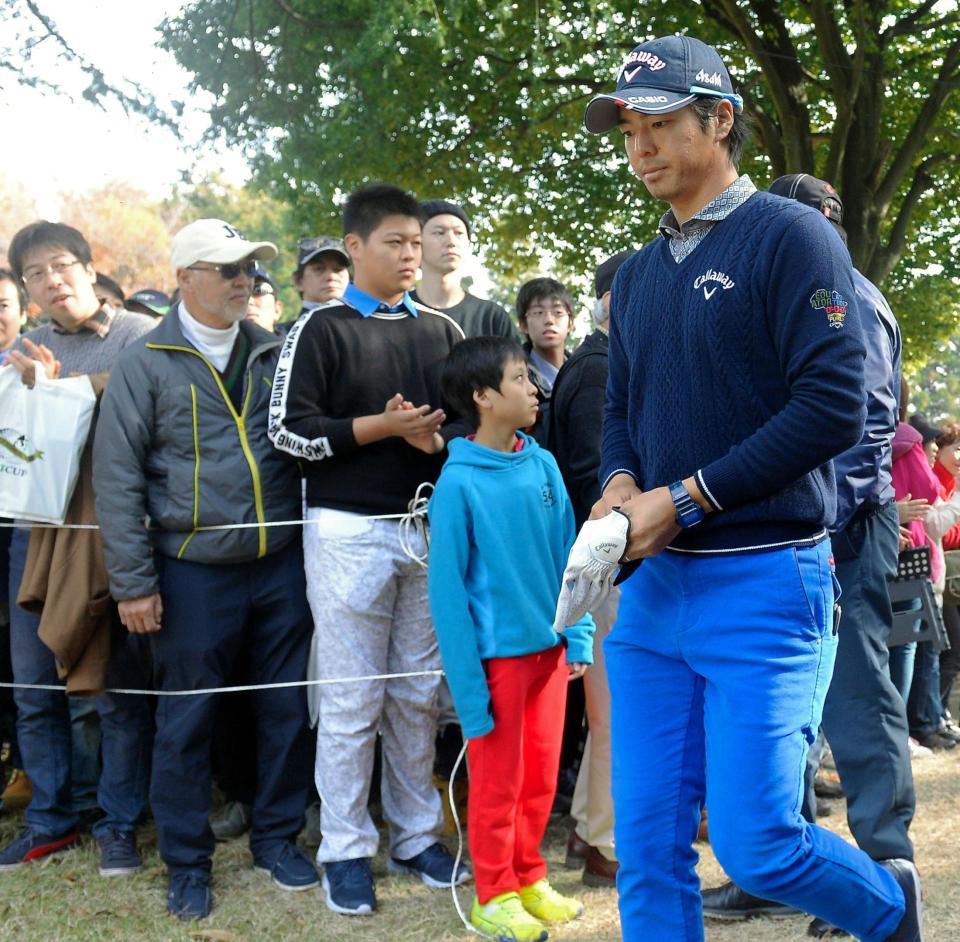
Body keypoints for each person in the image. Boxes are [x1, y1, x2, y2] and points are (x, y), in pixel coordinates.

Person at [576, 33, 920, 942]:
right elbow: (624, 406)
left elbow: (834, 409)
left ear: (718, 120)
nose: (640, 146)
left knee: (761, 844)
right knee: (648, 848)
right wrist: (619, 482)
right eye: (628, 129)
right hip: (651, 595)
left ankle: (891, 910)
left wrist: (682, 498)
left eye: (659, 125)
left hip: (768, 580)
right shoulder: (640, 274)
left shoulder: (792, 234)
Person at [701, 173, 917, 937]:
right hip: (794, 528)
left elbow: (860, 424)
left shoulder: (844, 297)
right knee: (784, 704)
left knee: (856, 701)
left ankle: (886, 870)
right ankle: (791, 867)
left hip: (842, 526)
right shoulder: (790, 291)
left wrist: (818, 522)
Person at [93, 218, 317, 920]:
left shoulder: (276, 350)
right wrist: (133, 584)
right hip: (188, 566)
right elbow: (118, 476)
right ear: (186, 276)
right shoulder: (144, 361)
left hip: (279, 562)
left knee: (284, 709)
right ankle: (187, 862)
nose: (245, 279)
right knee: (186, 721)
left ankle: (278, 837)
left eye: (250, 267)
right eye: (229, 269)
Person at [268, 183, 470, 917]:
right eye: (395, 241)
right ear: (354, 246)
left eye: (416, 242)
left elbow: (474, 432)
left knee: (417, 693)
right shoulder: (317, 329)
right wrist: (378, 429)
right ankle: (346, 847)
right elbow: (288, 434)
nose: (410, 254)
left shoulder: (443, 332)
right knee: (352, 699)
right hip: (346, 531)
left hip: (424, 528)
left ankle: (415, 836)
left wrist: (432, 439)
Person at [0, 222, 154, 878]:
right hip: (34, 537)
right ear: (27, 290)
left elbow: (154, 406)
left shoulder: (141, 338)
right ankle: (51, 820)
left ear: (90, 268)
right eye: (35, 274)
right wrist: (32, 391)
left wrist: (65, 391)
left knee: (113, 691)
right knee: (36, 688)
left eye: (61, 265)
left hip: (110, 539)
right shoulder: (23, 349)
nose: (51, 280)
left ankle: (117, 823)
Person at [428, 336, 593, 941]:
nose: (534, 389)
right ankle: (492, 893)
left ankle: (528, 878)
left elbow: (568, 560)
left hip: (550, 658)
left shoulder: (544, 464)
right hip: (496, 666)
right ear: (482, 397)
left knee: (541, 778)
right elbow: (446, 597)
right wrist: (469, 693)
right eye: (520, 379)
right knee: (498, 784)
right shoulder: (457, 485)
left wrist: (578, 637)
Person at [548, 250, 631, 890]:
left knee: (612, 709)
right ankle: (605, 841)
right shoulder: (601, 366)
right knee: (614, 712)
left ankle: (587, 829)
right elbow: (590, 475)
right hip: (606, 563)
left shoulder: (599, 361)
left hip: (601, 561)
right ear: (609, 299)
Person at [412, 199, 515, 339]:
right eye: (439, 233)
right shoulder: (394, 314)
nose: (451, 241)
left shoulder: (491, 318)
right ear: (416, 243)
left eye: (459, 233)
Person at [515, 277, 572, 444]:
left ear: (570, 323)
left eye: (558, 312)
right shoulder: (513, 376)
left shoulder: (584, 371)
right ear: (523, 324)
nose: (549, 320)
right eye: (538, 312)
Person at [292, 236, 350, 314]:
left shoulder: (365, 322)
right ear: (298, 281)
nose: (331, 276)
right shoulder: (297, 326)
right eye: (319, 269)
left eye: (338, 269)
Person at [246, 263, 284, 332]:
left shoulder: (298, 341)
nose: (249, 301)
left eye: (259, 290)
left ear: (277, 310)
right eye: (240, 295)